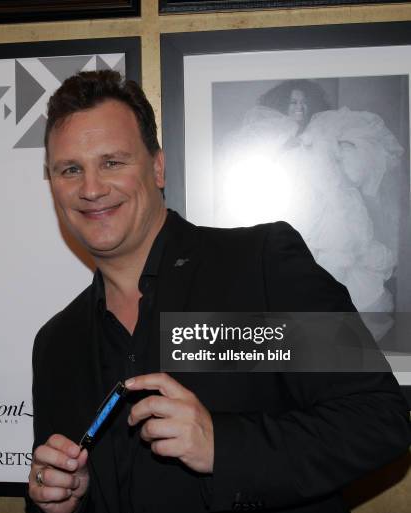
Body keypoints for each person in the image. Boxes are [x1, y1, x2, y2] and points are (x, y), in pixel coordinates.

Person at [26, 70, 410, 513]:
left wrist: (222, 446)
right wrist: (68, 498)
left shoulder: (259, 268)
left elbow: (378, 420)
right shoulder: (58, 345)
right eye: (70, 169)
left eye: (112, 162)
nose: (91, 188)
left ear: (157, 167)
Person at [217, 79, 404, 338]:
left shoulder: (323, 130)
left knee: (336, 264)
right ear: (281, 105)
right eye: (293, 102)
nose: (300, 107)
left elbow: (353, 170)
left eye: (304, 102)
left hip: (330, 209)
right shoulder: (269, 136)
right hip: (292, 208)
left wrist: (342, 154)